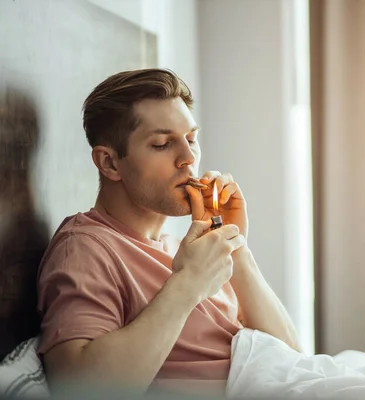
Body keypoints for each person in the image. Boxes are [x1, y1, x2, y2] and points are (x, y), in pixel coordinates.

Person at [36, 68, 300, 395]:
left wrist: (235, 247)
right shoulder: (86, 247)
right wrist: (188, 283)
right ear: (109, 164)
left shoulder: (186, 249)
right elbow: (80, 387)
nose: (189, 158)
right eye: (162, 144)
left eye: (191, 138)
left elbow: (293, 360)